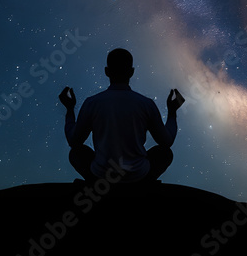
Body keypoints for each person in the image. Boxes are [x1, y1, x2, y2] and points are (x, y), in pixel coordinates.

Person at [59, 48, 185, 184]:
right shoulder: (146, 104)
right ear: (131, 72)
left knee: (76, 153)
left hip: (101, 176)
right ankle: (142, 186)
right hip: (138, 175)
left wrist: (70, 109)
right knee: (164, 153)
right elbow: (166, 141)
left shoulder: (92, 103)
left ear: (107, 71)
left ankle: (97, 185)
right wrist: (172, 112)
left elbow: (74, 141)